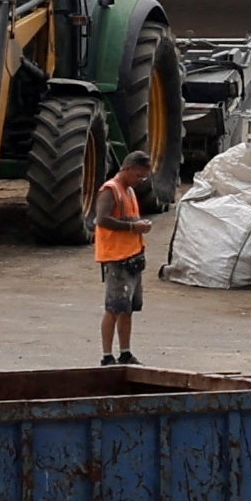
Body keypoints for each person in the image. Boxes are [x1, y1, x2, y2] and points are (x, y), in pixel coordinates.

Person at [93, 153, 151, 364]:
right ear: (127, 168)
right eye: (138, 175)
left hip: (132, 257)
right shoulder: (110, 190)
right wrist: (133, 227)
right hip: (116, 258)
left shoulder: (129, 191)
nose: (140, 180)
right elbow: (102, 219)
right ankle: (107, 356)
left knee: (127, 310)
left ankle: (125, 353)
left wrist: (138, 227)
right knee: (114, 309)